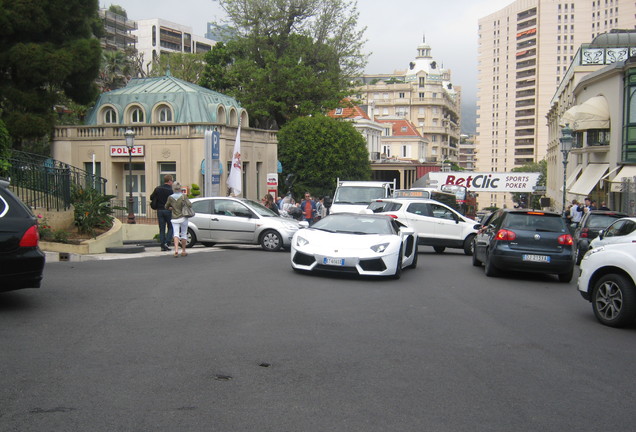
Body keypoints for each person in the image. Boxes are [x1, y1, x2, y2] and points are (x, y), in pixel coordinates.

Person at [165, 182, 192, 257]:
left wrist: (171, 208)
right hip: (183, 217)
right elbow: (190, 205)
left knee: (176, 234)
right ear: (180, 188)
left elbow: (166, 206)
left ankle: (176, 250)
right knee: (184, 233)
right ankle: (183, 250)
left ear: (173, 188)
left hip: (174, 217)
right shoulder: (183, 196)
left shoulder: (170, 197)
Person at [149, 174, 174, 251]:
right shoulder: (171, 190)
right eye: (172, 181)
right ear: (169, 181)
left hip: (159, 210)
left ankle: (162, 245)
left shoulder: (158, 189)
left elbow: (151, 197)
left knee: (162, 228)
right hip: (168, 210)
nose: (172, 183)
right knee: (171, 227)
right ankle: (167, 243)